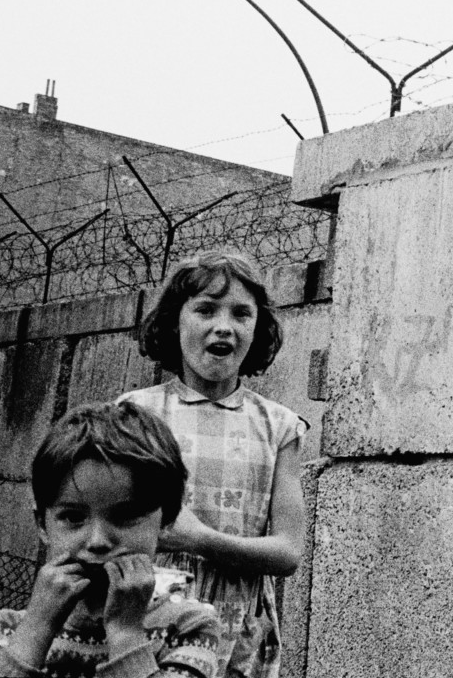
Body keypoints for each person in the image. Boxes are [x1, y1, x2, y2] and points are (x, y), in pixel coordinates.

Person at [118, 251, 305, 678]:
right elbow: (111, 526)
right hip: (147, 615)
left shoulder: (280, 427)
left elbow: (288, 552)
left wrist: (199, 538)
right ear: (174, 321)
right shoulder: (135, 415)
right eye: (205, 309)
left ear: (258, 329)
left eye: (242, 313)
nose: (224, 326)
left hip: (237, 629)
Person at [0, 402, 221, 677]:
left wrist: (126, 634)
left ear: (167, 520)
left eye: (125, 515)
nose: (97, 541)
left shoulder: (190, 627)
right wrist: (38, 629)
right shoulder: (7, 629)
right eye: (73, 517)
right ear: (42, 525)